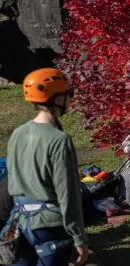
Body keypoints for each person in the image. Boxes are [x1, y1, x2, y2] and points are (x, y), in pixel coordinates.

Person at [6, 68, 88, 266]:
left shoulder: (18, 133)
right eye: (68, 94)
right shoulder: (60, 140)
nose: (70, 99)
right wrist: (79, 238)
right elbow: (68, 195)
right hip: (50, 226)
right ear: (57, 99)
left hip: (20, 222)